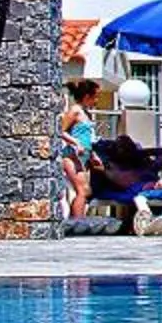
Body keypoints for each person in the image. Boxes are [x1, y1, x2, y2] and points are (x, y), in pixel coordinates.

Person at [55, 78, 105, 218]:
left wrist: (93, 155)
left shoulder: (86, 113)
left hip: (83, 157)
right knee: (83, 190)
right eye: (96, 97)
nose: (97, 100)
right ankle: (78, 222)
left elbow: (88, 137)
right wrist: (75, 143)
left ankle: (77, 220)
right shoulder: (75, 111)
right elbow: (60, 131)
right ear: (87, 96)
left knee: (84, 191)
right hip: (71, 156)